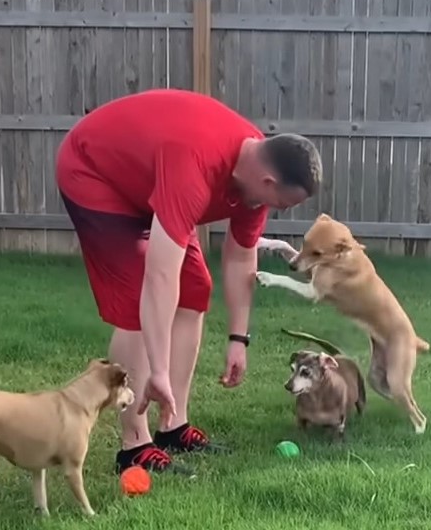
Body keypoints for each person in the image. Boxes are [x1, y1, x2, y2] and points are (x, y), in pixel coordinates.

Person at [55, 88, 322, 476]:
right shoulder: (195, 167)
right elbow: (160, 277)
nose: (277, 211)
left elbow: (241, 255)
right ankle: (134, 444)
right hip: (95, 173)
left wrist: (238, 339)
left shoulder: (253, 182)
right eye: (282, 203)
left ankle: (172, 424)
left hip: (151, 181)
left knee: (196, 287)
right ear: (267, 181)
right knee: (135, 304)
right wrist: (157, 368)